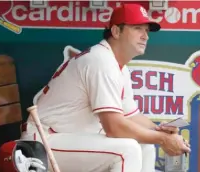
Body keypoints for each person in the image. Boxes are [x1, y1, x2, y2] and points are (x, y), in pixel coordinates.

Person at [20, 3, 191, 172]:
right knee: (128, 151)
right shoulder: (101, 61)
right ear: (116, 31)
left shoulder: (118, 65)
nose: (145, 36)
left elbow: (131, 116)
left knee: (145, 146)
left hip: (67, 138)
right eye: (137, 28)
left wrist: (162, 132)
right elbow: (114, 127)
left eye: (146, 30)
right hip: (43, 141)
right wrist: (162, 139)